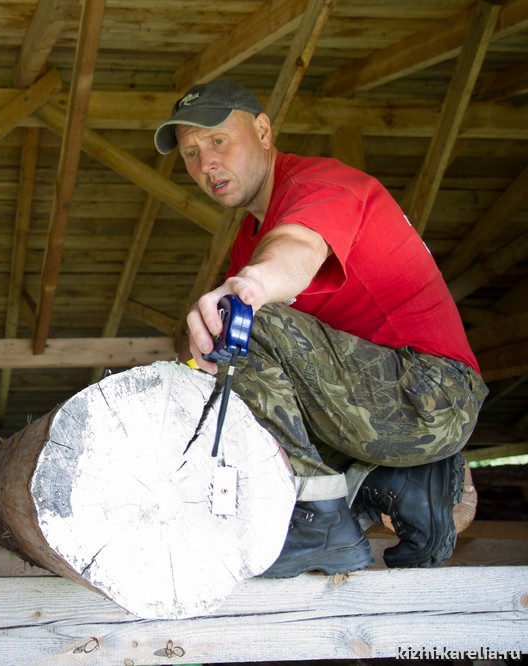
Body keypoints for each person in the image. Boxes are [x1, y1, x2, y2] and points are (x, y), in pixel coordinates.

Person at [153, 80, 488, 578]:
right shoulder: (249, 239)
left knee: (243, 321)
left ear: (263, 131)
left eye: (218, 141)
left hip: (434, 393)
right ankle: (406, 486)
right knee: (224, 375)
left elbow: (296, 251)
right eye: (190, 154)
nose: (205, 165)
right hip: (377, 411)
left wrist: (246, 290)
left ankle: (318, 516)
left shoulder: (321, 186)